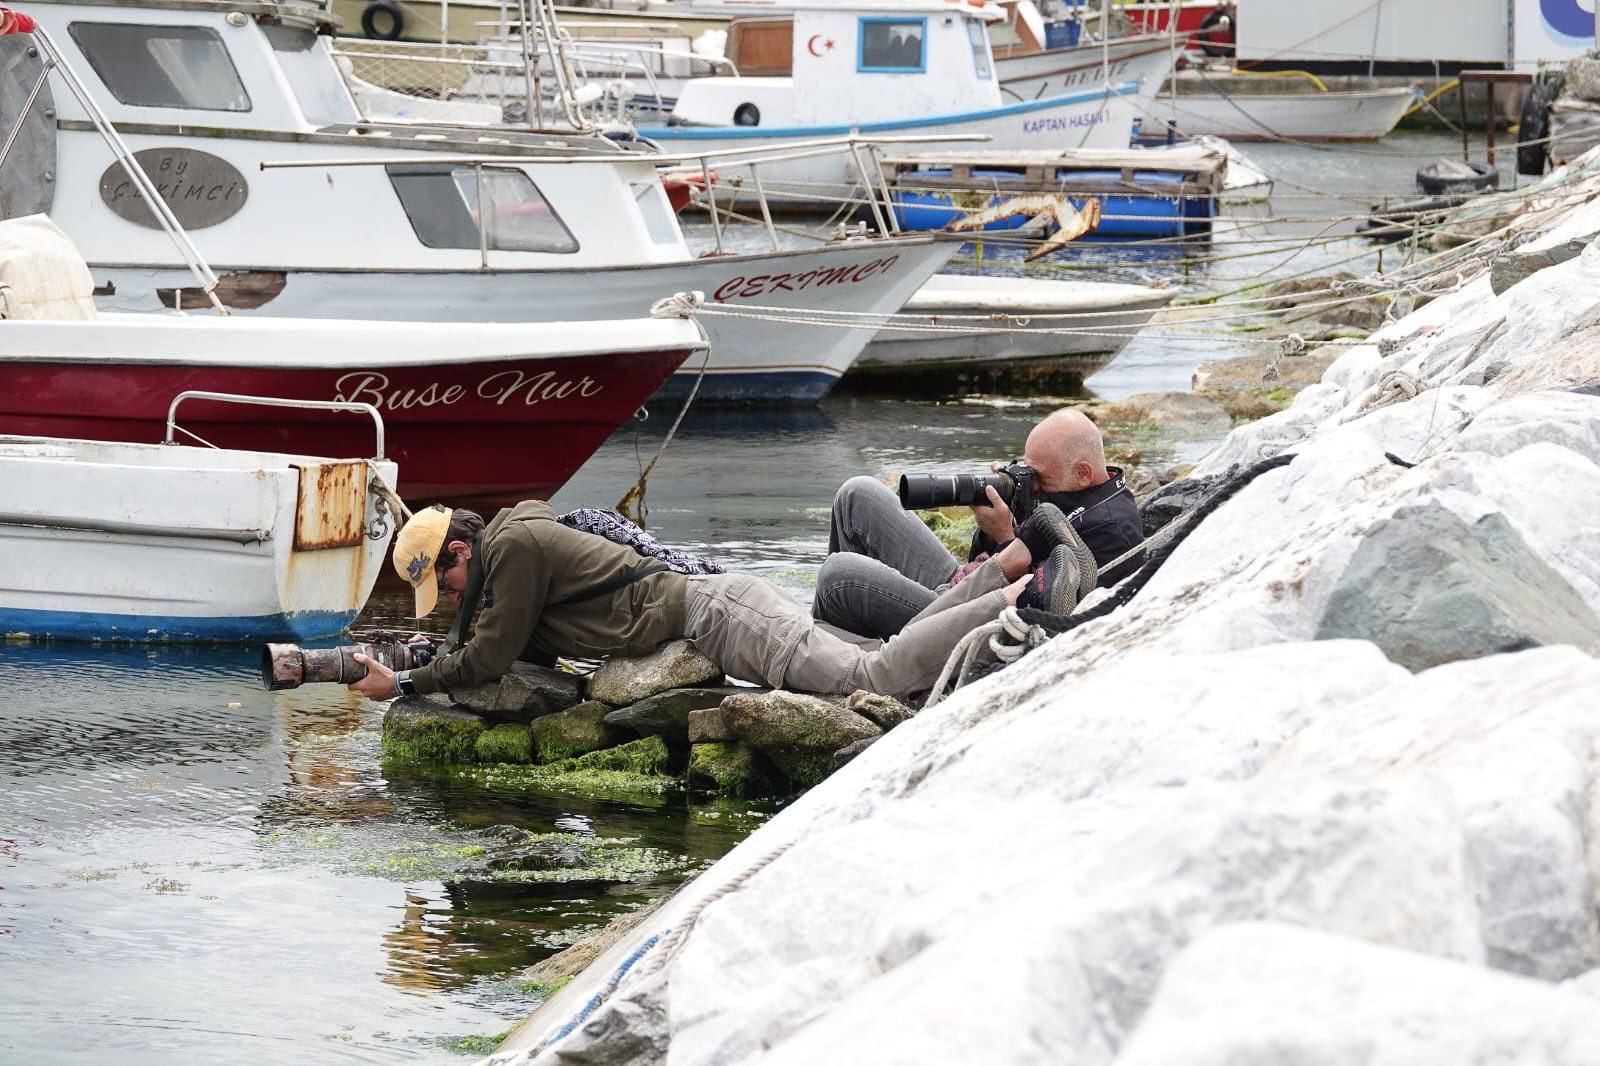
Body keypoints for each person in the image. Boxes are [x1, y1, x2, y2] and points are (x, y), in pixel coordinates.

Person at [346, 496, 1092, 704]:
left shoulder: (512, 551)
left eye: (441, 587)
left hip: (719, 616)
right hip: (724, 608)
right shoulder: (521, 544)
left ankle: (1025, 597)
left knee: (874, 678)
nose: (446, 602)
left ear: (460, 553)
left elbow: (491, 655)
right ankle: (1018, 562)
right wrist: (434, 655)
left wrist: (406, 679)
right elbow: (520, 648)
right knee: (872, 660)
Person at [813, 408, 1143, 641]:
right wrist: (992, 529)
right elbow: (988, 563)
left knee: (838, 576)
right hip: (965, 586)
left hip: (971, 618)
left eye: (1039, 477)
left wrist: (1005, 539)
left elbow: (1041, 611)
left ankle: (851, 661)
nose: (1033, 485)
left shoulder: (1112, 533)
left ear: (1083, 471)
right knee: (858, 494)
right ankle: (848, 637)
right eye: (1026, 470)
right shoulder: (1072, 492)